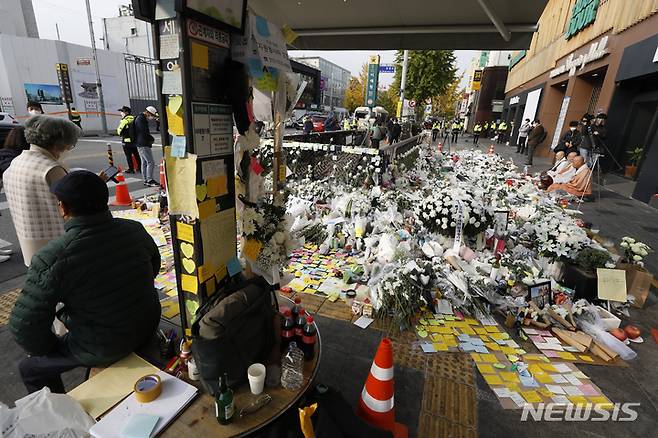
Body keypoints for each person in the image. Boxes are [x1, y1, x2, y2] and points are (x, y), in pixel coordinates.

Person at [9, 171, 161, 394]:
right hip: (147, 324)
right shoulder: (134, 230)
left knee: (30, 368)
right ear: (104, 201)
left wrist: (51, 347)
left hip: (103, 344)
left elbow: (24, 326)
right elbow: (153, 266)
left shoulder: (53, 256)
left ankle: (61, 418)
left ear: (64, 208)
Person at [3, 116, 80, 265]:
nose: (68, 149)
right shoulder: (51, 168)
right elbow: (74, 208)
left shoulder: (17, 161)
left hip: (28, 240)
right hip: (57, 245)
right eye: (69, 145)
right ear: (59, 143)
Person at [134, 106, 159, 186]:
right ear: (148, 113)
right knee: (150, 162)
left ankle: (145, 179)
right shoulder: (141, 119)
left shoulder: (139, 118)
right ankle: (150, 179)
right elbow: (144, 132)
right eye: (152, 115)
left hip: (140, 143)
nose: (151, 117)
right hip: (143, 143)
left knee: (144, 162)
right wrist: (151, 139)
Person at [117, 106, 140, 174]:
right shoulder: (134, 119)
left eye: (122, 111)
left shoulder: (125, 120)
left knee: (128, 156)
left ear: (126, 112)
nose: (121, 113)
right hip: (134, 140)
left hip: (126, 141)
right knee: (136, 154)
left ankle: (131, 169)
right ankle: (140, 167)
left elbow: (119, 131)